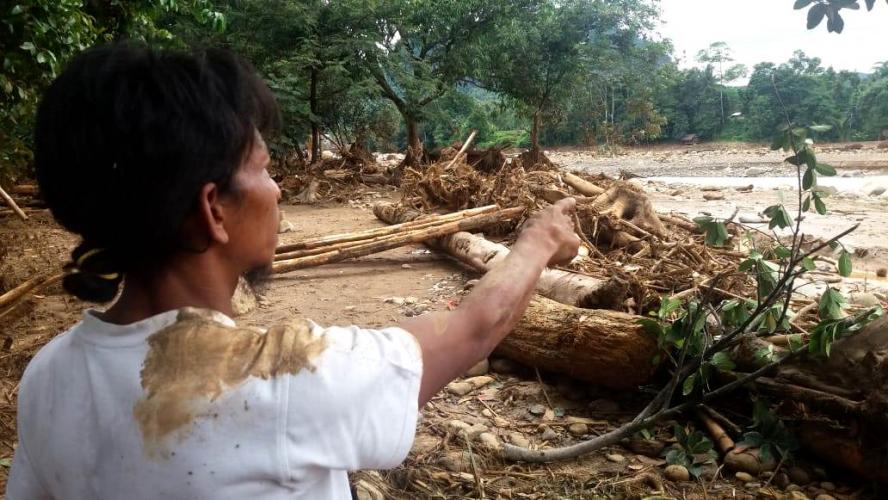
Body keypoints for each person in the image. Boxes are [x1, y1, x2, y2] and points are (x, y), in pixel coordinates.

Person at [6, 44, 580, 500]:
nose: (278, 190)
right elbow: (473, 328)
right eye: (264, 168)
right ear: (214, 210)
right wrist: (539, 238)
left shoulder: (49, 375)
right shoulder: (279, 384)